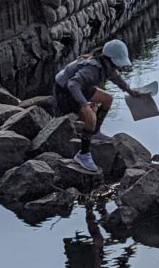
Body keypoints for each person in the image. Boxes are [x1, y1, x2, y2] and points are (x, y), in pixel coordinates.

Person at [53, 39, 139, 173]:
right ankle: (83, 154)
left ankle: (95, 132)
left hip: (82, 87)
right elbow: (72, 84)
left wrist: (130, 91)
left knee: (107, 99)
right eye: (116, 64)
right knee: (90, 116)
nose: (117, 67)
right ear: (109, 59)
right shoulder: (92, 69)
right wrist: (84, 105)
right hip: (65, 91)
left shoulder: (107, 65)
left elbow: (115, 78)